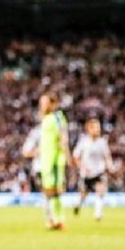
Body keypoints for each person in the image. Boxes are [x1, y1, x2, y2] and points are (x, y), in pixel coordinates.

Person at [37, 91, 74, 230]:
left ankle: (58, 220)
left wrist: (67, 156)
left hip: (55, 159)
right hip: (45, 160)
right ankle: (51, 220)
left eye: (45, 103)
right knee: (48, 192)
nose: (42, 106)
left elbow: (63, 137)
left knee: (56, 191)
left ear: (53, 104)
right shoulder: (45, 119)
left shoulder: (57, 117)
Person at [72, 118, 113, 220]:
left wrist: (110, 165)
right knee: (84, 194)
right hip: (87, 173)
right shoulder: (84, 142)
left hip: (99, 171)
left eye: (98, 128)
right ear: (89, 129)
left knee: (101, 190)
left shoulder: (102, 142)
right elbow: (76, 156)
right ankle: (78, 204)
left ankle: (98, 213)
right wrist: (81, 167)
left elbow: (107, 155)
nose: (98, 130)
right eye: (95, 128)